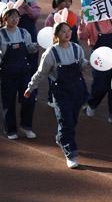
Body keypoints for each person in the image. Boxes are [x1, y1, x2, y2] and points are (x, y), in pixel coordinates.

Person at [25, 10, 89, 168]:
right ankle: (70, 153)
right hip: (60, 92)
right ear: (56, 34)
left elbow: (82, 64)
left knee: (72, 119)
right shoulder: (51, 53)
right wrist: (30, 88)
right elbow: (41, 73)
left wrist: (87, 64)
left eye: (69, 30)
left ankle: (61, 137)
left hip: (77, 89)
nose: (67, 33)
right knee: (66, 121)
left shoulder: (76, 48)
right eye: (63, 31)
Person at [0, 0, 39, 139]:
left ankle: (26, 126)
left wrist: (38, 45)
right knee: (8, 103)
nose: (15, 19)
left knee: (29, 98)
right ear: (4, 19)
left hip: (24, 71)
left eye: (16, 16)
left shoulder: (24, 33)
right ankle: (10, 130)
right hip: (7, 73)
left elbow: (29, 48)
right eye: (11, 17)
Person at [79, 12, 112, 124]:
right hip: (99, 57)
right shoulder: (91, 22)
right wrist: (82, 21)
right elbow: (82, 36)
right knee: (100, 85)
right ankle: (92, 103)